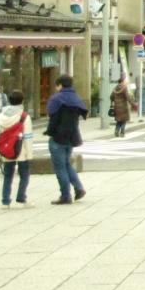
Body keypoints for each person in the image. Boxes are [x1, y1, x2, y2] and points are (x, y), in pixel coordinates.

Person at [44, 75, 88, 205]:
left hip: (58, 137)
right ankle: (79, 188)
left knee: (60, 167)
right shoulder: (76, 98)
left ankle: (65, 195)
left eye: (56, 86)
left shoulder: (56, 99)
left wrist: (49, 132)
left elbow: (52, 119)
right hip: (72, 136)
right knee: (67, 164)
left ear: (60, 85)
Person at [0, 89, 34, 208]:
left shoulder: (1, 115)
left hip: (7, 150)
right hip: (21, 150)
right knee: (24, 174)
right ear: (22, 101)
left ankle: (5, 201)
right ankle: (21, 198)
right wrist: (29, 154)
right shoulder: (24, 116)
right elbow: (28, 136)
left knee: (8, 175)